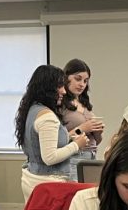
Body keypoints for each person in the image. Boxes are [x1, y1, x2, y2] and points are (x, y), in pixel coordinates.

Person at [15, 64, 89, 201]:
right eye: (60, 86)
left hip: (33, 178)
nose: (64, 91)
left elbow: (49, 141)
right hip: (48, 183)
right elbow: (50, 158)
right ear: (48, 88)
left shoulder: (32, 110)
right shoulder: (47, 117)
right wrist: (77, 145)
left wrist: (72, 136)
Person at [60, 59, 103, 160]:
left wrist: (98, 132)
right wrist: (82, 128)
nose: (82, 84)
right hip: (73, 158)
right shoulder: (60, 103)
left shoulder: (84, 103)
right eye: (78, 79)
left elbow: (96, 141)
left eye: (85, 81)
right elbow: (58, 140)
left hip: (91, 156)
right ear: (66, 78)